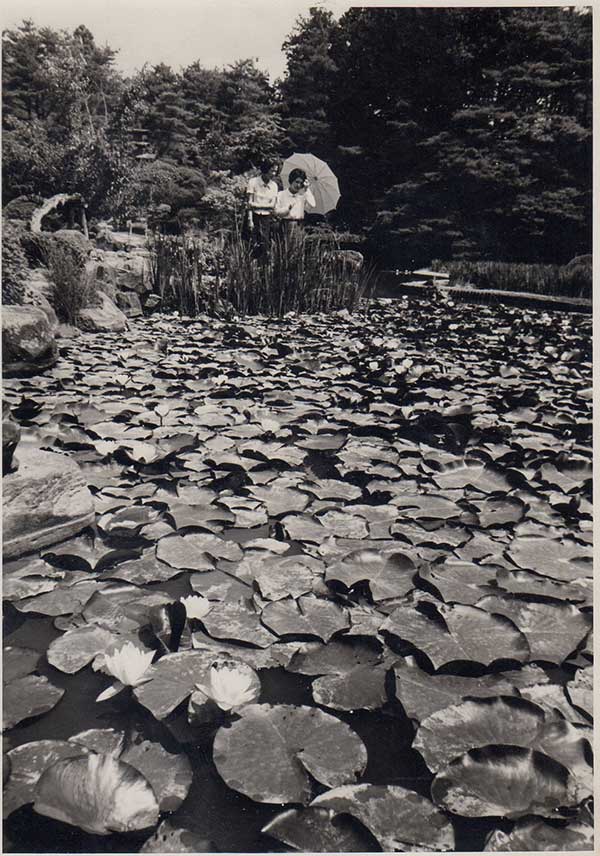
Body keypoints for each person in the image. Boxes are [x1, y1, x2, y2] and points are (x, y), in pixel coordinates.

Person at [245, 160, 279, 257]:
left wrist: (256, 205)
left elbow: (272, 205)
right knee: (252, 244)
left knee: (265, 245)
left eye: (276, 171)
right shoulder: (253, 182)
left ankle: (263, 267)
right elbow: (249, 203)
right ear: (265, 169)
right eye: (272, 171)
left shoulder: (274, 186)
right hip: (253, 216)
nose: (274, 173)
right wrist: (250, 220)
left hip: (266, 219)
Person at [274, 168, 316, 238]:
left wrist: (306, 189)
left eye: (301, 183)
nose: (298, 185)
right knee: (284, 247)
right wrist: (286, 209)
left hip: (299, 226)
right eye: (296, 182)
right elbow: (276, 211)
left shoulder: (302, 196)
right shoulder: (281, 194)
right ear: (291, 180)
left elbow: (313, 205)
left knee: (297, 248)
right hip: (285, 224)